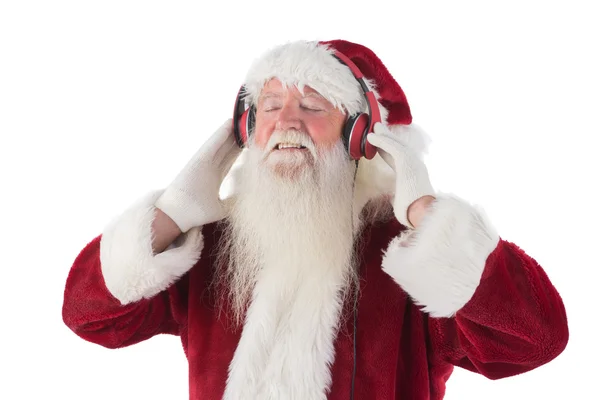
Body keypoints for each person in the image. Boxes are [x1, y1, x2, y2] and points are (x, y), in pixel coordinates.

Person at [62, 39, 569, 400]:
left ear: (359, 135)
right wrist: (171, 213)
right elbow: (89, 316)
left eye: (311, 105)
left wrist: (427, 216)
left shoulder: (413, 257)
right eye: (270, 106)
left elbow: (536, 340)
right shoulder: (214, 249)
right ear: (246, 129)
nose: (285, 121)